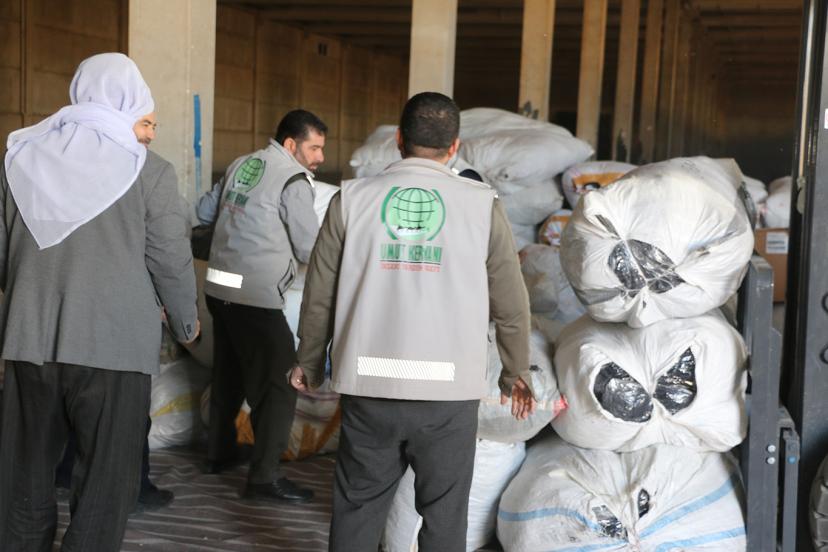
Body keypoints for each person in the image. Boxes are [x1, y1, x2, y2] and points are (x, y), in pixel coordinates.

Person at [290, 92, 536, 551]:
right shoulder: (481, 204)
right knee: (444, 516)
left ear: (399, 140)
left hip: (369, 388)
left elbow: (319, 293)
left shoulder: (352, 199)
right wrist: (514, 370)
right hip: (449, 395)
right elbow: (510, 300)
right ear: (455, 146)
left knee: (358, 507)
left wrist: (309, 360)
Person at [0, 53, 198, 551]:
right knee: (105, 486)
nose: (148, 133)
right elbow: (171, 259)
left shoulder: (18, 161)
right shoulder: (149, 172)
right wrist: (185, 322)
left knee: (23, 478)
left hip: (30, 342)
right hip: (114, 350)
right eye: (145, 119)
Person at [199, 110, 325, 504]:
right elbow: (310, 249)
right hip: (256, 297)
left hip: (219, 289)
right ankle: (264, 478)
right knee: (281, 384)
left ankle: (219, 453)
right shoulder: (293, 180)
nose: (320, 157)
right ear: (291, 144)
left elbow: (202, 213)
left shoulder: (241, 164)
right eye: (314, 148)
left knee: (230, 371)